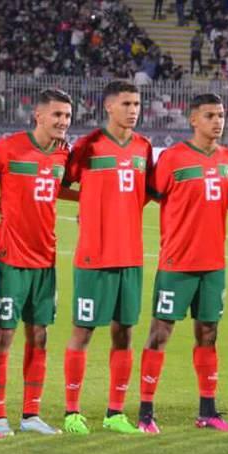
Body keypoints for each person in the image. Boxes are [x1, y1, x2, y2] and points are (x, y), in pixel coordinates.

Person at [137, 93, 228, 433]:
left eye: (221, 115)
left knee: (208, 334)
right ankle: (145, 412)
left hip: (213, 265)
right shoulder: (173, 158)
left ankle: (208, 411)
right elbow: (147, 195)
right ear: (193, 120)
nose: (218, 121)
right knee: (160, 333)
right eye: (210, 115)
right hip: (176, 263)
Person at [58, 81, 154, 435]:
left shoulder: (144, 147)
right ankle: (72, 412)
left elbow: (145, 192)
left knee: (124, 333)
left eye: (137, 104)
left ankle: (115, 412)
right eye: (127, 103)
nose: (133, 110)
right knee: (82, 332)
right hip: (93, 256)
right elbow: (57, 182)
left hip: (130, 256)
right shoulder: (88, 146)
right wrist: (87, 205)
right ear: (109, 107)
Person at [0, 88, 72, 437]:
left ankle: (31, 415)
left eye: (67, 116)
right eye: (57, 115)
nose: (63, 122)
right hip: (11, 258)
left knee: (40, 335)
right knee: (4, 334)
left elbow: (71, 184)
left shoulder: (65, 155)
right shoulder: (8, 148)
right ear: (39, 116)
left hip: (45, 259)